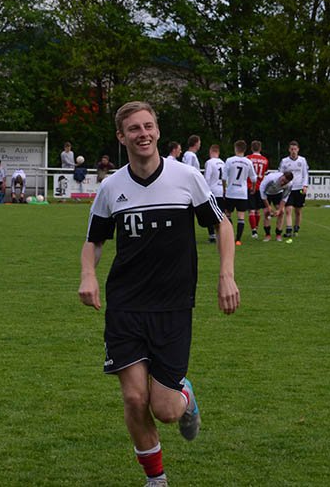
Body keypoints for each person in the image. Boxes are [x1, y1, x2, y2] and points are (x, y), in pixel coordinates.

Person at [78, 101, 238, 487]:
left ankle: (185, 396)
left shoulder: (186, 177)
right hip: (126, 306)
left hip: (173, 306)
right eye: (134, 128)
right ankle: (157, 480)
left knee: (165, 410)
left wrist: (226, 275)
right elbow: (94, 240)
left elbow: (222, 225)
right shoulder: (111, 187)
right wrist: (88, 274)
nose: (143, 134)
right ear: (121, 136)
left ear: (158, 131)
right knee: (135, 399)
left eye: (148, 126)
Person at [223, 140, 258, 246]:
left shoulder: (229, 160)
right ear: (245, 149)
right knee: (241, 216)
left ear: (235, 148)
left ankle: (230, 236)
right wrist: (253, 188)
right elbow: (254, 178)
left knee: (227, 214)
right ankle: (238, 239)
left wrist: (224, 189)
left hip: (231, 192)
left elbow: (224, 177)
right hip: (242, 193)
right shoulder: (248, 162)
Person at [278, 141, 309, 238]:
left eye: (295, 149)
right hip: (288, 189)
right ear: (289, 150)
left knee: (298, 211)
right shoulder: (284, 161)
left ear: (298, 150)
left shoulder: (302, 160)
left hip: (299, 188)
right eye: (291, 149)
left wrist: (305, 186)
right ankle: (288, 230)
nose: (293, 151)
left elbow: (305, 174)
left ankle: (296, 228)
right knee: (288, 210)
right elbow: (280, 174)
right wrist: (282, 185)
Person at [258, 170, 293, 241]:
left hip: (277, 193)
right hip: (266, 193)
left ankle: (278, 234)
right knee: (266, 212)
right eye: (282, 180)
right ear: (282, 176)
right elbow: (262, 191)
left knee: (281, 212)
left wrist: (279, 210)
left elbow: (284, 198)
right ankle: (267, 235)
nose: (282, 183)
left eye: (285, 182)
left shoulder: (289, 185)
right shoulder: (271, 179)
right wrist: (268, 206)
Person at [246, 140, 269, 239]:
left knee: (251, 210)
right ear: (260, 148)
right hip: (260, 186)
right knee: (258, 210)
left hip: (249, 186)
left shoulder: (247, 158)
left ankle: (254, 231)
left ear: (251, 148)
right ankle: (256, 227)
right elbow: (264, 172)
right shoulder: (265, 160)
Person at [203, 145, 225, 243]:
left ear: (210, 151)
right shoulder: (223, 163)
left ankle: (212, 235)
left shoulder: (209, 162)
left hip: (212, 191)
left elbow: (207, 178)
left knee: (209, 214)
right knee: (221, 214)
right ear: (218, 152)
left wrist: (204, 190)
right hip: (221, 191)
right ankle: (222, 234)